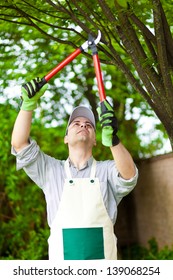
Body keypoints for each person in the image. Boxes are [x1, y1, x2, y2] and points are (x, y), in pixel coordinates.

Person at [11, 78, 138, 260]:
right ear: (66, 138)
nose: (83, 125)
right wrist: (27, 105)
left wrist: (114, 140)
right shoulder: (51, 170)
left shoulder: (107, 170)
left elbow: (129, 175)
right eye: (76, 123)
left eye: (89, 125)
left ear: (95, 139)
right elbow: (19, 144)